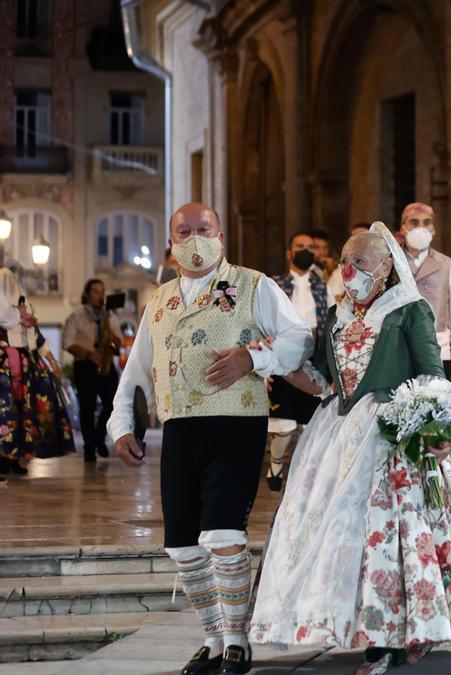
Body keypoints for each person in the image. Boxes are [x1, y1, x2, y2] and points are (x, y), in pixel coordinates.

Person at [249, 223, 451, 673]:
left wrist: (437, 428)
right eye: (344, 261)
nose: (349, 270)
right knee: (337, 532)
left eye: (359, 262)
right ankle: (355, 623)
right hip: (337, 433)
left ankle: (393, 636)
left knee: (393, 535)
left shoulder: (409, 308)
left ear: (385, 266)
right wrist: (269, 359)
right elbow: (322, 380)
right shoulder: (338, 315)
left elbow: (432, 371)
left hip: (394, 430)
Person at [108, 203, 311, 675]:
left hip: (235, 424)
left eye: (204, 229)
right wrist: (122, 426)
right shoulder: (158, 300)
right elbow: (138, 370)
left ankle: (238, 639)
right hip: (178, 428)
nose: (196, 237)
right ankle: (213, 639)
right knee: (182, 543)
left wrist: (252, 357)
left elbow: (298, 338)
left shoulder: (254, 285)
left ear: (220, 234)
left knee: (222, 533)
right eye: (186, 231)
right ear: (172, 241)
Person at [264, 231, 329, 491]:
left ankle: (303, 471)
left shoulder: (322, 286)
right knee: (284, 423)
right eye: (300, 246)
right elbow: (264, 322)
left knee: (308, 423)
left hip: (313, 354)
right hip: (283, 354)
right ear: (289, 253)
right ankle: (276, 465)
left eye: (310, 247)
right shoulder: (274, 284)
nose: (305, 251)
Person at [0, 270, 74, 478]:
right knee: (8, 413)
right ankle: (5, 457)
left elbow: (37, 338)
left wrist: (52, 362)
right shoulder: (6, 312)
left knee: (26, 414)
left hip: (26, 368)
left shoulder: (26, 307)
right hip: (6, 368)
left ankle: (18, 458)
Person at [393, 203, 451, 382]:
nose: (420, 227)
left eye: (426, 222)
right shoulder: (391, 263)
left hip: (437, 352)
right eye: (413, 222)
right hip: (397, 350)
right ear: (403, 228)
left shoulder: (448, 265)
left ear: (433, 229)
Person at [64, 279, 122, 462]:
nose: (100, 296)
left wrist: (112, 341)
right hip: (85, 365)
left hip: (106, 363)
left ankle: (99, 437)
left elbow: (119, 341)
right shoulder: (76, 316)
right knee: (87, 408)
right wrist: (89, 354)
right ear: (87, 294)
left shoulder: (110, 316)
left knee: (112, 404)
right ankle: (89, 447)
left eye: (102, 292)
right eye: (96, 292)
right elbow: (67, 343)